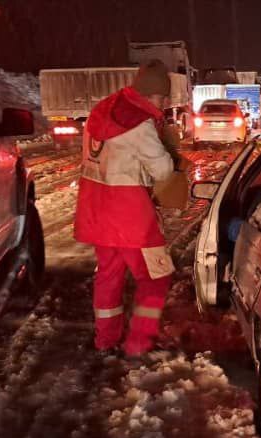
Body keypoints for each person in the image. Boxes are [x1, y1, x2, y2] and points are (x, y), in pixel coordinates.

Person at [74, 59, 180, 355]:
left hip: (97, 210)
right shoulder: (138, 123)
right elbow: (162, 171)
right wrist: (170, 151)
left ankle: (106, 340)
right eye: (162, 97)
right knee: (156, 278)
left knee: (108, 277)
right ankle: (139, 342)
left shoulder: (103, 109)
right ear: (152, 95)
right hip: (131, 215)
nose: (164, 104)